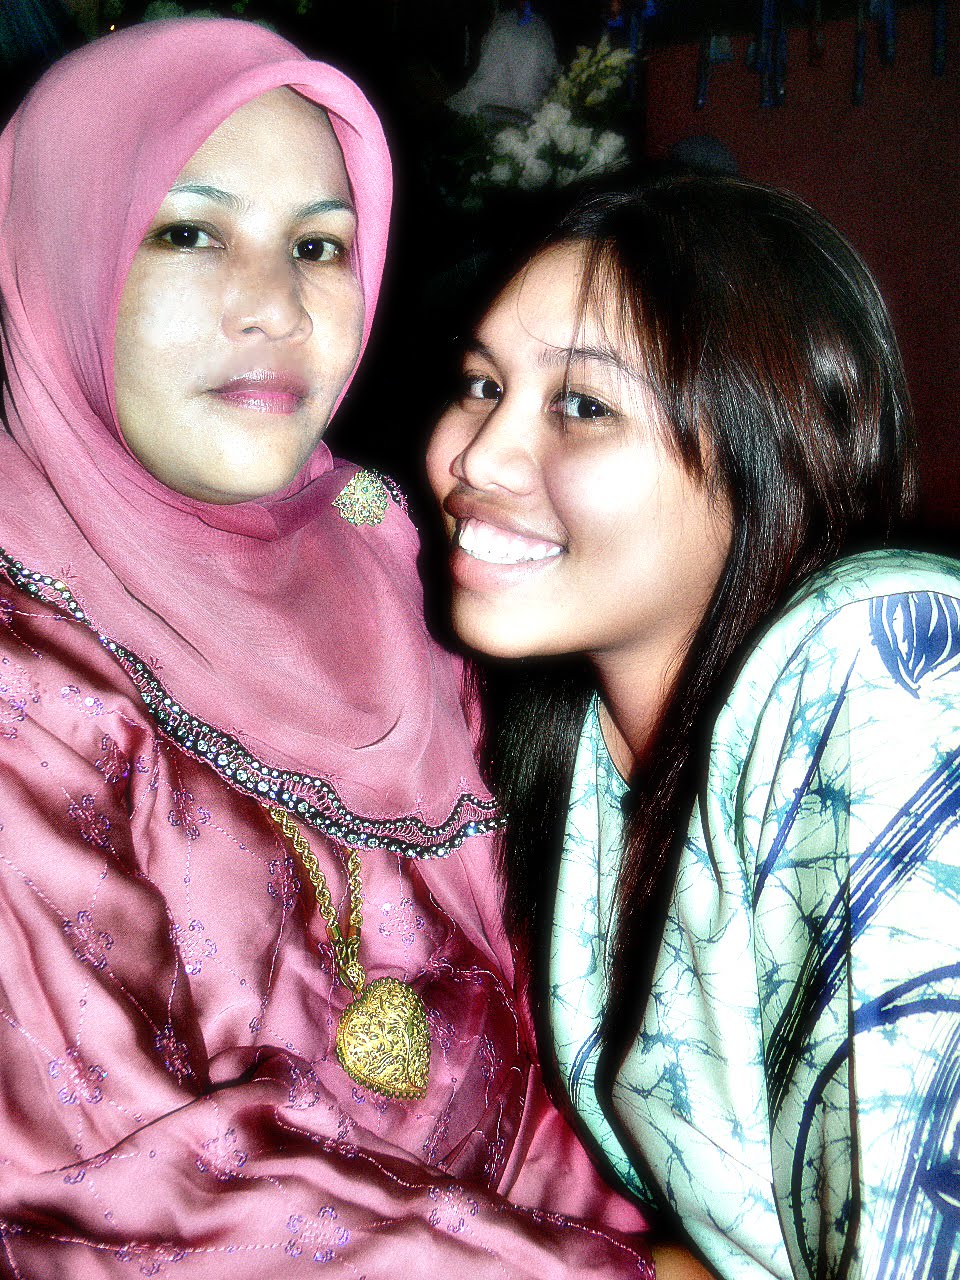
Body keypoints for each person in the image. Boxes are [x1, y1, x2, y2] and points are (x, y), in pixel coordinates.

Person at [0, 19, 664, 1274]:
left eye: (317, 246)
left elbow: (538, 1016)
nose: (275, 307)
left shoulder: (400, 561)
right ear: (60, 249)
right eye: (189, 233)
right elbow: (108, 1181)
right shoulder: (26, 666)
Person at [427, 175, 960, 1278]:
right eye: (482, 385)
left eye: (584, 406)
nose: (477, 458)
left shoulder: (892, 660)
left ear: (780, 444)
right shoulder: (576, 759)